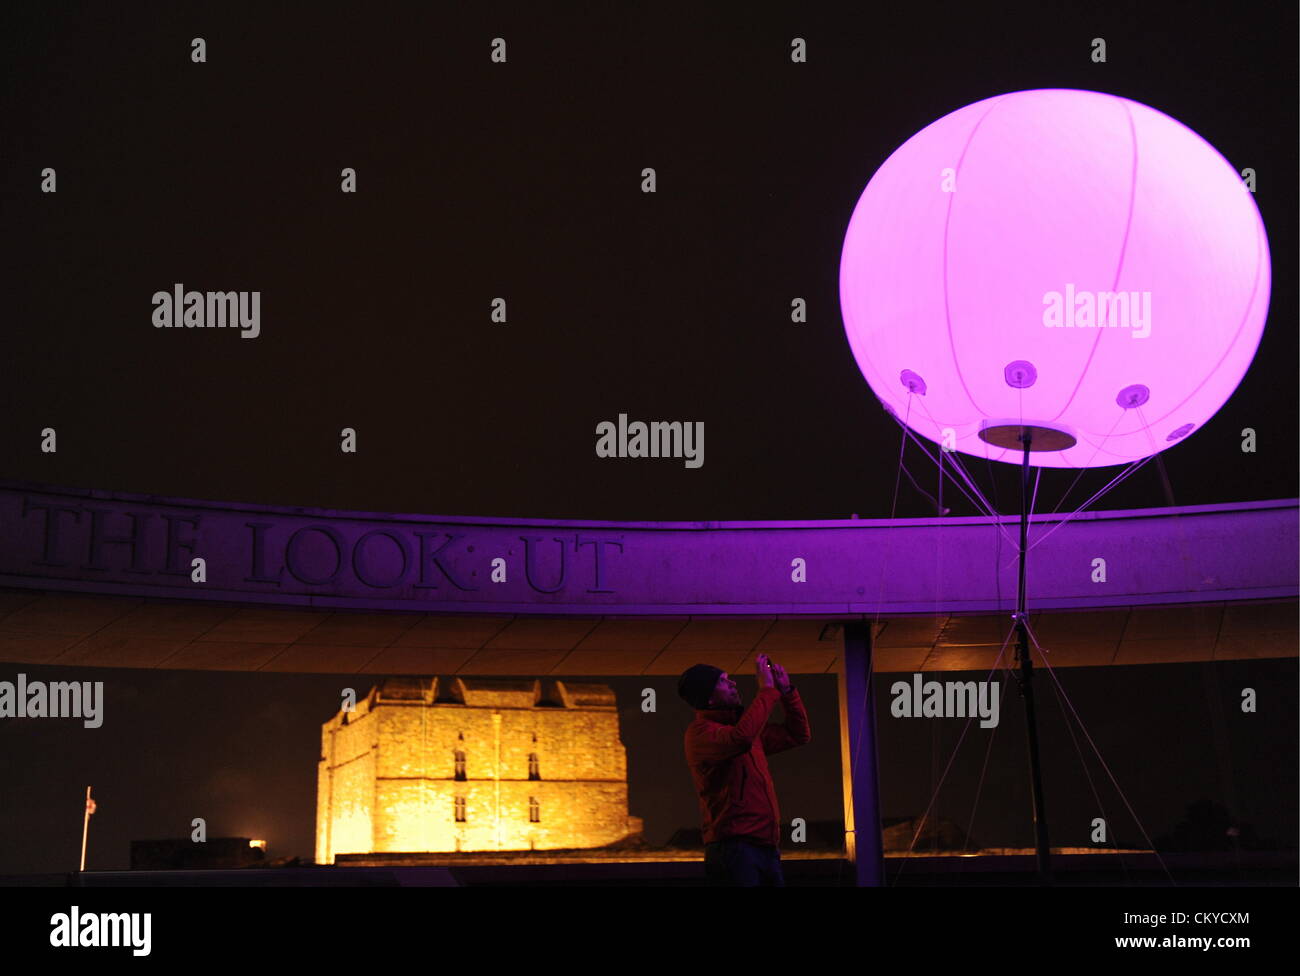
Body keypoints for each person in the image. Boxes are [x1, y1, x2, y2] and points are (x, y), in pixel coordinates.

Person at [678, 653, 811, 886]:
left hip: (765, 846)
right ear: (708, 699)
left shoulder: (743, 731)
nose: (733, 684)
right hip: (734, 848)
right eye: (723, 681)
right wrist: (767, 690)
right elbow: (742, 739)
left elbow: (798, 735)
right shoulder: (700, 734)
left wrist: (787, 693)